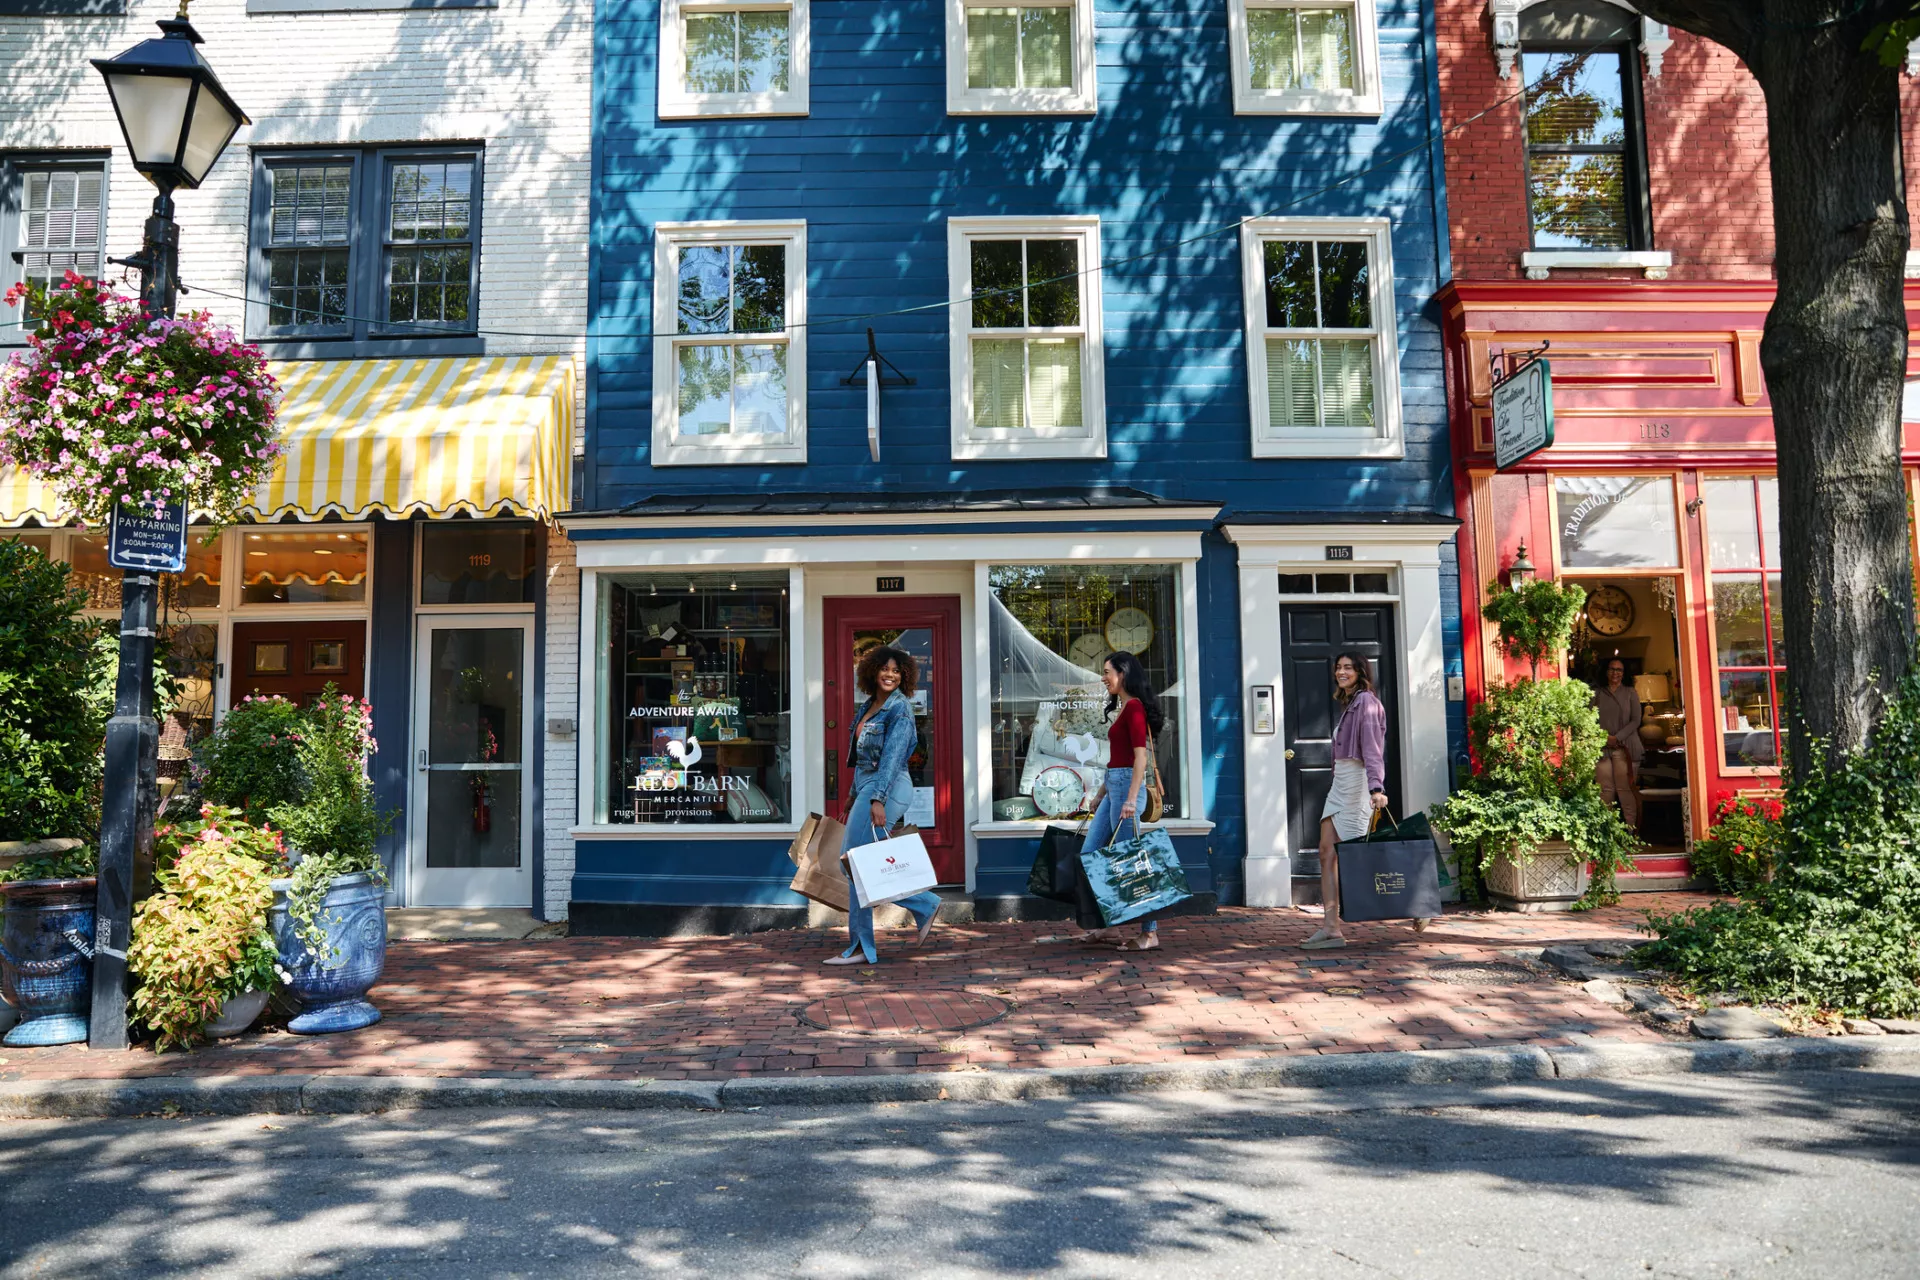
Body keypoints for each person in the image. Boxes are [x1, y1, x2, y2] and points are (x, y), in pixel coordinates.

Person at [824, 644, 942, 966]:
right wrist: (852, 795)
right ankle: (920, 906)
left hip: (888, 787)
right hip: (868, 786)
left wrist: (878, 798)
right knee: (859, 865)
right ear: (872, 672)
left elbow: (890, 759)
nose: (889, 674)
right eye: (884, 668)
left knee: (854, 863)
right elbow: (864, 760)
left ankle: (866, 943)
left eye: (896, 670)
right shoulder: (868, 707)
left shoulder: (899, 709)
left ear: (903, 676)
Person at [1302, 652, 1421, 950]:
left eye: (1348, 668)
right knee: (1326, 853)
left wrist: (1376, 788)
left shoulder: (1366, 703)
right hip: (1340, 784)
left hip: (1356, 785)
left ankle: (1418, 902)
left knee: (1363, 858)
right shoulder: (1351, 703)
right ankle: (1331, 928)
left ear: (1360, 672)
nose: (1341, 672)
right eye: (1338, 667)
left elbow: (1372, 750)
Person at [1074, 651, 1166, 952]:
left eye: (1107, 672)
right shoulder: (1125, 708)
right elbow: (1118, 760)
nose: (1103, 678)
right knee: (1091, 854)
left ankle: (1150, 933)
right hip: (1115, 786)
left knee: (1132, 862)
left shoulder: (1135, 708)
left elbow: (1140, 758)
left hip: (1128, 789)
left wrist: (1129, 799)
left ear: (1123, 674)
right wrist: (1101, 794)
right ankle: (1105, 926)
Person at [1591, 656, 1643, 831]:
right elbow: (1589, 720)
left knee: (1625, 789)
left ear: (1624, 673)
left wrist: (1617, 737)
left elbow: (1636, 720)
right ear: (1606, 672)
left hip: (1625, 748)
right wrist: (1604, 737)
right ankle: (1607, 832)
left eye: (1619, 670)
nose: (1616, 673)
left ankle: (1630, 831)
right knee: (1605, 791)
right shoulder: (1597, 694)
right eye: (1612, 669)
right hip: (1602, 748)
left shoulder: (1630, 693)